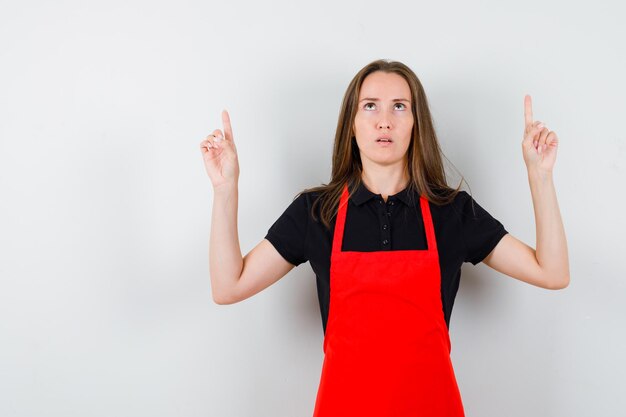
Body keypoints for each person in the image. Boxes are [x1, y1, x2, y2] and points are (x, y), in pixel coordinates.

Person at [199, 59, 570, 416]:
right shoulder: (316, 213)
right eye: (371, 106)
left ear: (416, 123)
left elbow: (552, 273)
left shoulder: (451, 211)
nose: (385, 121)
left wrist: (541, 176)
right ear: (352, 124)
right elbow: (228, 286)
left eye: (399, 107)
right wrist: (225, 189)